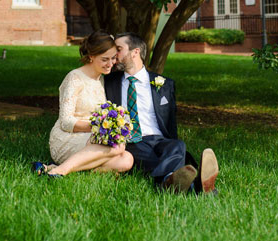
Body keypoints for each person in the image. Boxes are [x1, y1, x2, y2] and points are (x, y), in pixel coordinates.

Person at [104, 32, 219, 194]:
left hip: (160, 139)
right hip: (132, 140)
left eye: (119, 49)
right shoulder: (109, 82)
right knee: (153, 155)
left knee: (177, 145)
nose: (114, 54)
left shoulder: (165, 84)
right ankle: (194, 187)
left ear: (135, 52)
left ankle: (171, 182)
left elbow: (170, 121)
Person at [34, 31, 134, 176]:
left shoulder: (101, 79)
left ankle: (52, 168)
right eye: (105, 59)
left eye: (113, 58)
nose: (110, 64)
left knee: (127, 160)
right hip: (67, 137)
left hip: (93, 137)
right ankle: (61, 171)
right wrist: (99, 128)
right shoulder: (74, 78)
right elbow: (66, 122)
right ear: (91, 56)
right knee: (118, 148)